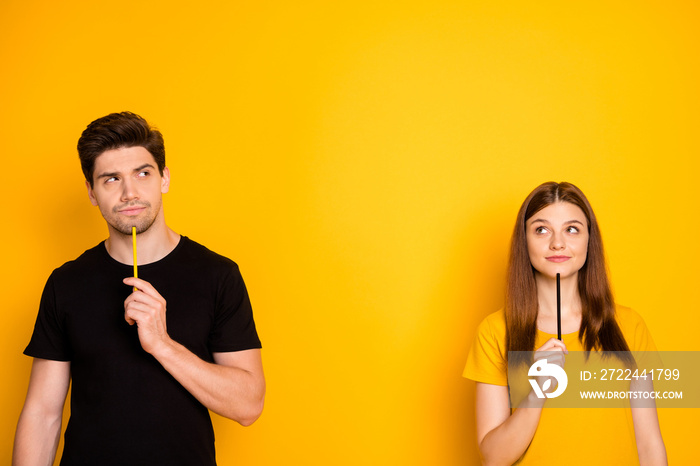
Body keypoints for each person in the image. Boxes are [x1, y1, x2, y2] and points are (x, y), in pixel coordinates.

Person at [13, 112, 265, 466]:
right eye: (111, 179)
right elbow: (43, 413)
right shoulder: (66, 283)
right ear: (91, 192)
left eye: (142, 173)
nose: (129, 193)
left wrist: (162, 345)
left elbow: (248, 405)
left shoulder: (218, 275)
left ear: (164, 179)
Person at [463, 181, 667, 465]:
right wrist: (537, 391)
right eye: (541, 229)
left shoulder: (628, 325)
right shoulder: (495, 331)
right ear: (524, 241)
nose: (557, 243)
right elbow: (494, 457)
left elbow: (649, 445)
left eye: (572, 229)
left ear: (588, 241)